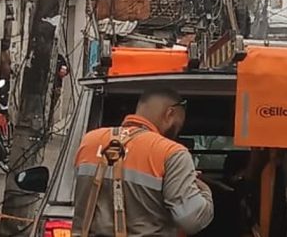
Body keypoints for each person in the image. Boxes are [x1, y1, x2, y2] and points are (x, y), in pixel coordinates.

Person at [73, 87, 214, 236]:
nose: (178, 130)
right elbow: (192, 220)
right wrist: (204, 190)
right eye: (179, 123)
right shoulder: (172, 153)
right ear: (170, 113)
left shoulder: (89, 141)